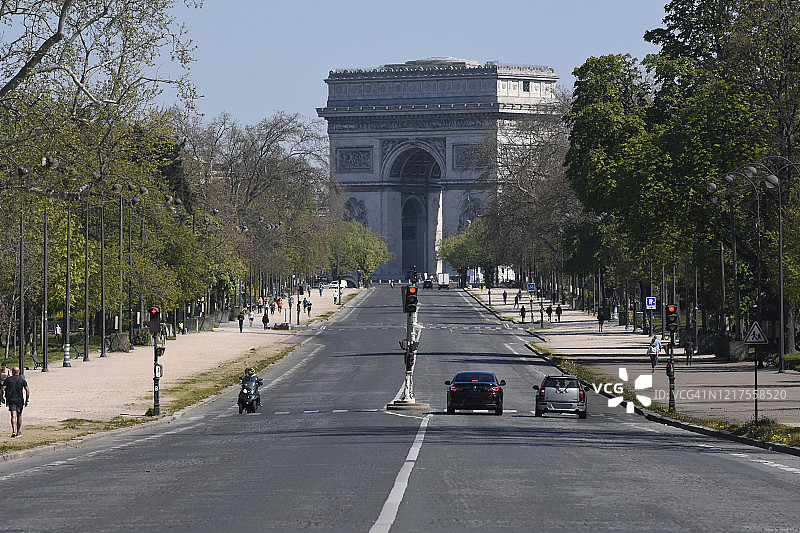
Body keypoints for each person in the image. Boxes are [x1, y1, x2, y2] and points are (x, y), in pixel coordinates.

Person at [1, 366, 29, 437]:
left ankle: (13, 431)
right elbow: (27, 391)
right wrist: (27, 400)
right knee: (19, 415)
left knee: (13, 415)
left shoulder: (8, 380)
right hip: (20, 400)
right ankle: (18, 431)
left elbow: (2, 389)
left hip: (11, 399)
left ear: (12, 372)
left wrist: (2, 398)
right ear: (19, 372)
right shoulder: (22, 380)